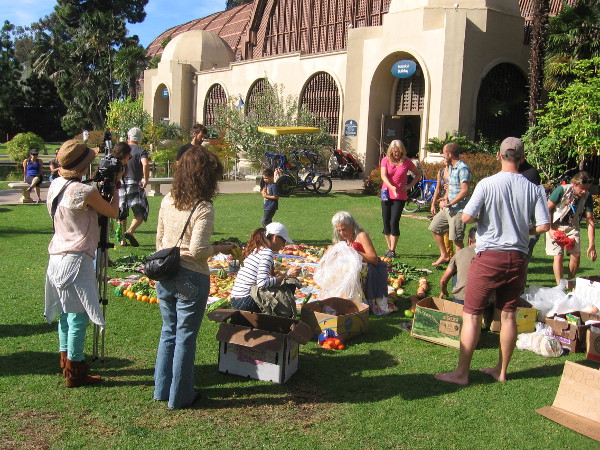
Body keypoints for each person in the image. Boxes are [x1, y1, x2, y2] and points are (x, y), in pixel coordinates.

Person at [435, 137, 550, 386]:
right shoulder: (534, 188)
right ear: (521, 158)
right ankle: (501, 370)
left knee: (472, 315)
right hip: (518, 259)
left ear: (499, 156)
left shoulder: (487, 184)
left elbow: (465, 217)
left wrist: (485, 219)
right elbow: (543, 225)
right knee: (508, 316)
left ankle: (461, 374)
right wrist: (522, 230)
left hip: (489, 258)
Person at [153, 146, 235, 410]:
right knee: (185, 336)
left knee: (168, 332)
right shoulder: (203, 208)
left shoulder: (168, 199)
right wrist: (219, 249)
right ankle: (181, 396)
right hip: (191, 276)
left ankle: (162, 390)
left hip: (165, 272)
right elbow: (199, 251)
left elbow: (159, 240)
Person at [44, 140, 119, 387]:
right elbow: (112, 212)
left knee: (66, 315)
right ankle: (76, 371)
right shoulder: (84, 192)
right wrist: (115, 188)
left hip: (56, 256)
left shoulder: (56, 185)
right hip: (76, 258)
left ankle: (66, 363)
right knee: (78, 316)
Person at [229, 222, 300, 313]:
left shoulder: (258, 248)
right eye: (283, 240)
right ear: (276, 237)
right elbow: (262, 283)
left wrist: (277, 277)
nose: (284, 245)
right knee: (290, 283)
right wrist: (286, 275)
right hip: (245, 301)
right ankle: (282, 319)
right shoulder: (267, 253)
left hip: (236, 299)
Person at [331, 211, 389, 314]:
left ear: (352, 225)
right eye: (339, 230)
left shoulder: (361, 236)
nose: (341, 233)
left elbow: (374, 259)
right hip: (354, 270)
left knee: (349, 270)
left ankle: (359, 302)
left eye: (344, 229)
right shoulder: (341, 239)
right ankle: (348, 302)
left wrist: (354, 252)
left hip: (370, 269)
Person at [546, 171, 596, 290]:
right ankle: (560, 286)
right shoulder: (561, 190)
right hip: (555, 225)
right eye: (582, 188)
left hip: (572, 226)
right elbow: (546, 209)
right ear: (574, 184)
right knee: (558, 256)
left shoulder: (587, 196)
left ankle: (570, 282)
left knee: (576, 254)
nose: (584, 191)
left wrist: (592, 245)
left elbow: (589, 220)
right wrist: (550, 229)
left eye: (587, 188)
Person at [429, 143, 471, 266]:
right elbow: (450, 187)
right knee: (434, 228)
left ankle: (460, 267)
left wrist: (451, 203)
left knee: (457, 240)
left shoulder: (462, 168)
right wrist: (445, 198)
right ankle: (444, 255)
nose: (443, 155)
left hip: (459, 210)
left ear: (450, 154)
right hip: (448, 208)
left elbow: (465, 190)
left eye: (444, 153)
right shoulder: (451, 167)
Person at [380, 140, 422, 258]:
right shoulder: (385, 160)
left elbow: (418, 174)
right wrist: (391, 187)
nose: (396, 154)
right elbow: (383, 176)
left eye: (398, 152)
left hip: (400, 196)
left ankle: (392, 250)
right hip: (386, 194)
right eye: (394, 152)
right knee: (386, 221)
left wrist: (409, 186)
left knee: (394, 221)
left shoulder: (407, 162)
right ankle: (389, 249)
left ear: (402, 151)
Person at [119, 127, 150, 247]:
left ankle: (122, 239)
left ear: (128, 137)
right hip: (135, 184)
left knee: (122, 212)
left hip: (121, 183)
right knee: (141, 211)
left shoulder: (122, 150)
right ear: (140, 138)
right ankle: (130, 231)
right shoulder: (141, 150)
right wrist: (146, 179)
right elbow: (145, 164)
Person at [439, 226, 477, 305]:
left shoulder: (460, 253)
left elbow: (443, 280)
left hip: (462, 299)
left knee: (455, 273)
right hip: (487, 299)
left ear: (469, 240)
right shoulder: (494, 254)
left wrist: (443, 290)